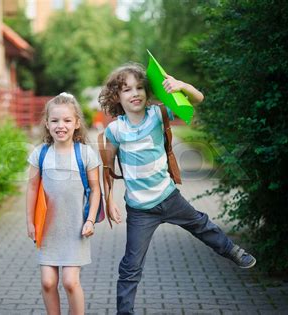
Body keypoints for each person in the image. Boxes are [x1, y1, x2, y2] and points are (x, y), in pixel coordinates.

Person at [98, 63, 256, 315]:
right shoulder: (115, 129)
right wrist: (109, 201)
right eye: (127, 89)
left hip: (168, 196)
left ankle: (232, 251)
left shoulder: (159, 114)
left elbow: (198, 99)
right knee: (131, 265)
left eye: (140, 87)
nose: (135, 93)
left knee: (201, 224)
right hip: (140, 209)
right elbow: (108, 169)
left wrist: (182, 86)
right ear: (117, 96)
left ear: (148, 91)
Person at [26, 92, 102, 315]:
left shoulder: (86, 154)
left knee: (70, 282)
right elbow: (32, 188)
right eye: (55, 120)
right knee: (48, 282)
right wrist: (30, 222)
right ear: (47, 124)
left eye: (67, 120)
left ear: (77, 123)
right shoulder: (40, 154)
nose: (61, 125)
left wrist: (90, 220)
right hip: (48, 230)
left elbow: (96, 189)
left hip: (76, 230)